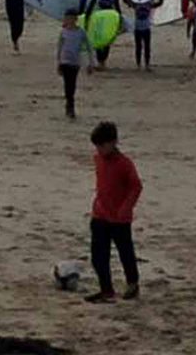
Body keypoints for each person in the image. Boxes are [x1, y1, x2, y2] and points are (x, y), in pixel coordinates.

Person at [87, 120, 142, 303]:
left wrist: (126, 207)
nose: (99, 150)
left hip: (120, 218)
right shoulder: (98, 159)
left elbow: (136, 187)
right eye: (97, 146)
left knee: (125, 252)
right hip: (100, 214)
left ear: (113, 142)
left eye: (102, 146)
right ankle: (106, 288)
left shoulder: (125, 164)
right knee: (98, 255)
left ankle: (132, 283)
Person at [57, 10, 93, 118]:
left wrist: (90, 63)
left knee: (72, 84)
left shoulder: (81, 32)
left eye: (70, 18)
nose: (68, 21)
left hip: (75, 63)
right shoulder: (63, 32)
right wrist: (58, 62)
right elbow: (59, 47)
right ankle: (70, 105)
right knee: (67, 84)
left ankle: (70, 104)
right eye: (66, 18)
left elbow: (88, 47)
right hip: (64, 62)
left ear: (76, 20)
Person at [85, 0, 122, 68]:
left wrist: (119, 22)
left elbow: (117, 10)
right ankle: (99, 61)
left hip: (109, 22)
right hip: (98, 21)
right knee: (97, 41)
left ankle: (103, 61)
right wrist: (87, 19)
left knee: (107, 41)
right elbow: (90, 7)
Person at [124, 0, 157, 71]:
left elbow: (160, 3)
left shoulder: (146, 4)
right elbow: (125, 0)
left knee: (146, 47)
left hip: (145, 28)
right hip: (139, 28)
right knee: (139, 47)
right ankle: (139, 64)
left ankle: (146, 64)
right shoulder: (137, 3)